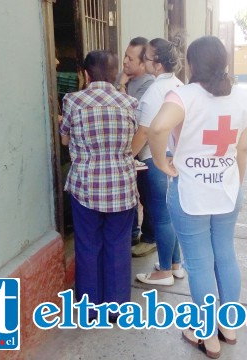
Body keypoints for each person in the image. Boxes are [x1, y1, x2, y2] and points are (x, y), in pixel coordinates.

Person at [148, 36, 247, 358]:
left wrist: (163, 163)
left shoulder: (183, 96)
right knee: (225, 255)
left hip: (191, 193)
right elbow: (243, 148)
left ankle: (206, 335)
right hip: (227, 191)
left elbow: (156, 129)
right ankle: (229, 326)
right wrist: (233, 183)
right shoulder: (243, 98)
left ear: (192, 64)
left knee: (200, 264)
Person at [60, 50, 138, 322]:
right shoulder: (129, 103)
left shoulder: (73, 101)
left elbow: (65, 141)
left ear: (85, 73)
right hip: (121, 185)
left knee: (87, 245)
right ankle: (116, 308)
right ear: (116, 73)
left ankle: (90, 310)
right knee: (118, 245)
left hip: (86, 186)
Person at [133, 38, 184, 286]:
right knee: (171, 215)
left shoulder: (155, 91)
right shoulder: (178, 85)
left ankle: (164, 271)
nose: (144, 61)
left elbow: (144, 132)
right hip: (176, 158)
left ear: (158, 64)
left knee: (161, 217)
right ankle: (175, 264)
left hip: (157, 159)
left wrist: (125, 155)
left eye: (147, 57)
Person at [115, 37, 157, 257]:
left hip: (143, 150)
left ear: (143, 63)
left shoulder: (149, 85)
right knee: (129, 193)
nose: (125, 61)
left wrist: (121, 85)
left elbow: (128, 112)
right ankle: (132, 234)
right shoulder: (122, 79)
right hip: (123, 147)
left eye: (130, 58)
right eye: (125, 56)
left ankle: (150, 238)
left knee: (147, 195)